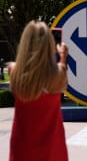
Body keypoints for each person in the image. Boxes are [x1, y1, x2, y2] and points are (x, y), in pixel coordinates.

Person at [8, 20, 69, 161]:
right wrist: (63, 57)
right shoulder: (58, 73)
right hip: (52, 147)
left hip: (22, 147)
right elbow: (59, 75)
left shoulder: (13, 71)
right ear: (49, 45)